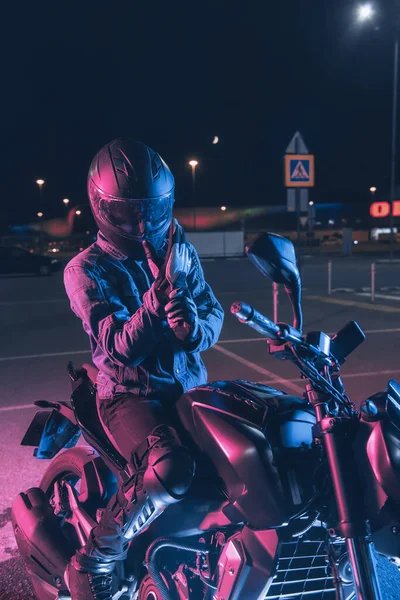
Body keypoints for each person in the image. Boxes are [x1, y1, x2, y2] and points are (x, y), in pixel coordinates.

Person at [63, 138, 224, 600]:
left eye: (151, 210)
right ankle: (97, 556)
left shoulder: (175, 245)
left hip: (188, 389)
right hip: (129, 397)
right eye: (126, 213)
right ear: (101, 208)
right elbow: (118, 348)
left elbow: (213, 312)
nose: (141, 223)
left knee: (250, 447)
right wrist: (157, 304)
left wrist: (194, 329)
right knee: (169, 468)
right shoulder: (85, 269)